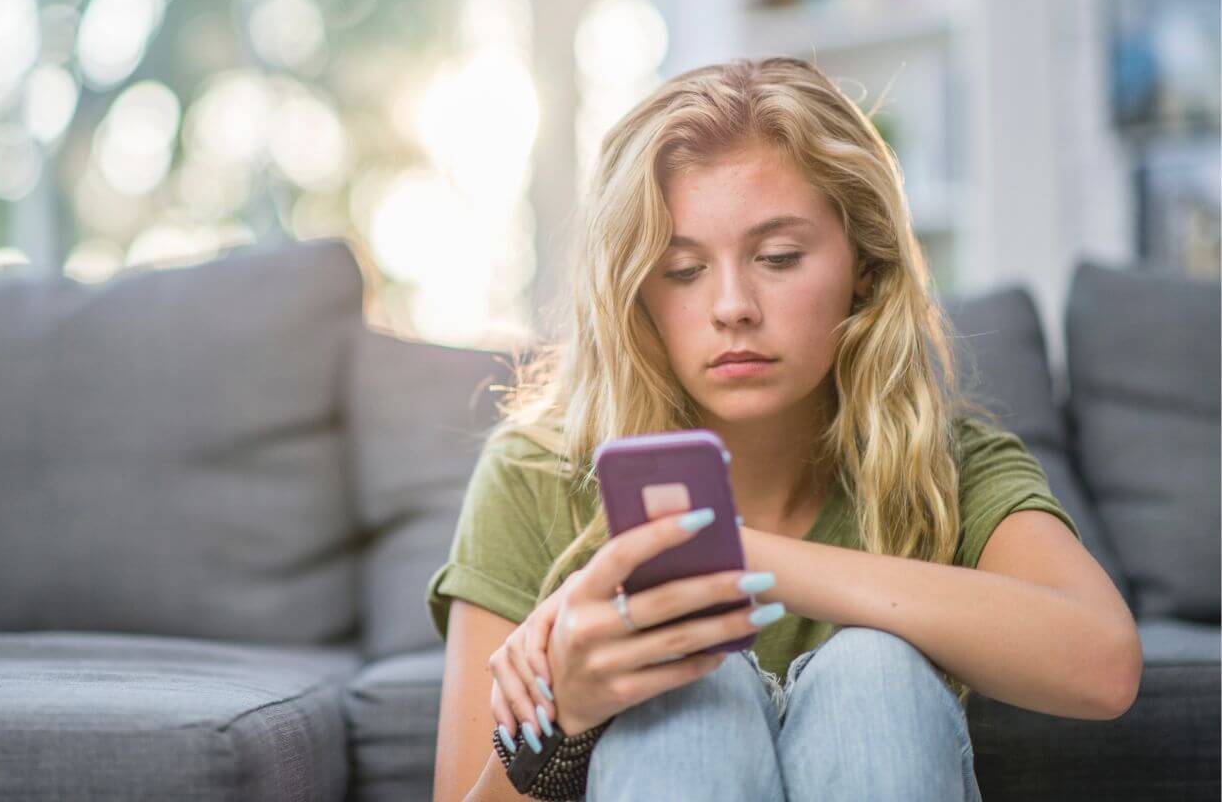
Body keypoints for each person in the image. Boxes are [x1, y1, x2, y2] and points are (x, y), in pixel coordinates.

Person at [425, 57, 1142, 801]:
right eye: (682, 270)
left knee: (873, 674)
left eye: (777, 258)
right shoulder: (536, 472)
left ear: (865, 263)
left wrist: (732, 558)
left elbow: (1104, 663)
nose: (732, 305)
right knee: (688, 704)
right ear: (637, 291)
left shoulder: (943, 463)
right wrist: (567, 719)